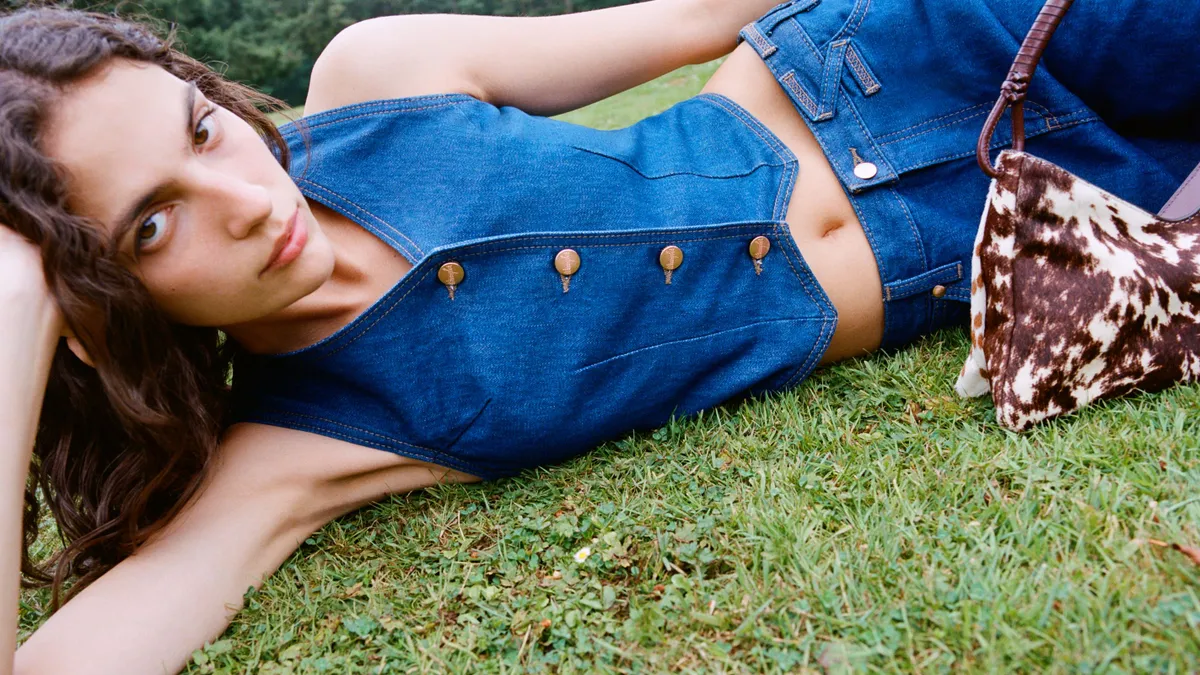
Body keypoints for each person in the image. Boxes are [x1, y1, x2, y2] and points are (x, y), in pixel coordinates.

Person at [1, 0, 1195, 672]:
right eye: (154, 226)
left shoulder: (378, 75)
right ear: (99, 313)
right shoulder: (301, 442)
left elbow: (695, 19)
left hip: (931, 45)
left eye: (203, 131)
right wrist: (15, 301)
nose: (247, 201)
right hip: (1006, 225)